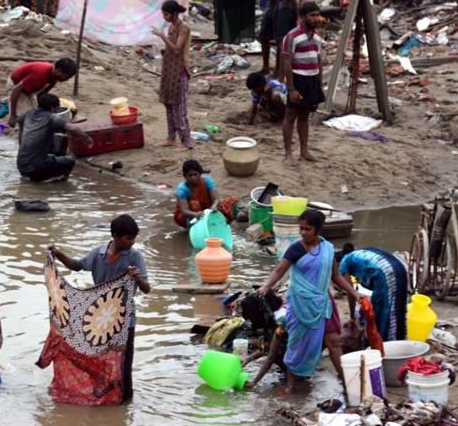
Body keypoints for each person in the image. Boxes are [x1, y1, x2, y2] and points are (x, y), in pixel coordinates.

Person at [257, 209, 362, 392]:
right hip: (300, 304)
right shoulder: (296, 249)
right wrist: (266, 286)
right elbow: (279, 271)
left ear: (318, 229)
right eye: (301, 228)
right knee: (296, 342)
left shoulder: (327, 250)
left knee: (334, 342)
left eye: (308, 229)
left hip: (323, 303)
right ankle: (290, 385)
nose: (303, 232)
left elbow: (335, 276)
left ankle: (347, 384)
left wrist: (354, 293)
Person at [49, 214, 151, 401]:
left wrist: (137, 278)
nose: (132, 242)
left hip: (124, 319)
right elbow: (77, 265)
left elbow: (147, 289)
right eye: (128, 238)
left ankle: (125, 400)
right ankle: (102, 397)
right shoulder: (98, 254)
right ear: (115, 236)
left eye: (134, 238)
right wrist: (58, 255)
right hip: (99, 319)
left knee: (123, 363)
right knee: (97, 359)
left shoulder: (135, 256)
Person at [281, 1, 324, 164]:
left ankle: (304, 150)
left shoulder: (317, 36)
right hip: (298, 78)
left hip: (312, 79)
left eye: (317, 15)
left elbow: (318, 59)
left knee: (305, 116)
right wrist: (291, 89)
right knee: (290, 116)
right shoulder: (292, 36)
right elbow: (286, 62)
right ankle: (288, 154)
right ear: (302, 17)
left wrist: (319, 82)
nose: (316, 18)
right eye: (312, 15)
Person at [338, 244, 409, 342]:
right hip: (401, 269)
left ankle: (383, 345)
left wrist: (352, 317)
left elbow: (350, 292)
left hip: (385, 273)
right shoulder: (360, 253)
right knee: (398, 309)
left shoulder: (343, 262)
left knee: (382, 314)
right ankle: (399, 341)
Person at [17, 93, 93, 182]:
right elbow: (73, 128)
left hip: (21, 165)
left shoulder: (27, 113)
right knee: (70, 161)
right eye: (57, 108)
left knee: (51, 156)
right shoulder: (51, 117)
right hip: (36, 168)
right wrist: (87, 138)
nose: (57, 111)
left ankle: (33, 177)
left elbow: (20, 132)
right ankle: (56, 181)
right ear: (52, 107)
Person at [152, 0, 192, 150]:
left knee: (179, 108)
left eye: (166, 14)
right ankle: (171, 137)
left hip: (180, 73)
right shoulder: (172, 27)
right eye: (163, 14)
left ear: (174, 13)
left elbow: (177, 50)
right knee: (168, 104)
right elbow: (171, 49)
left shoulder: (184, 28)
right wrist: (163, 49)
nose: (164, 17)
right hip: (169, 71)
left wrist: (162, 36)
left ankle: (186, 142)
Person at [7, 58, 77, 127]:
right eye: (66, 77)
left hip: (29, 90)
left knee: (36, 115)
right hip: (16, 87)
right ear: (59, 71)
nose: (67, 80)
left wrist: (48, 109)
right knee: (25, 119)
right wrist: (13, 115)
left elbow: (42, 95)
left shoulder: (54, 77)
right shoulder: (41, 74)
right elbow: (16, 89)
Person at [173, 159, 238, 228]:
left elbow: (216, 198)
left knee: (230, 202)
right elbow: (184, 210)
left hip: (208, 209)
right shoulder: (182, 189)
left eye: (195, 174)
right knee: (195, 204)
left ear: (200, 173)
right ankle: (196, 226)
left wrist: (214, 205)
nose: (193, 177)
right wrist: (195, 214)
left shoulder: (207, 181)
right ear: (185, 176)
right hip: (190, 215)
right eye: (190, 175)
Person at [275, 0, 304, 80]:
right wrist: (300, 13)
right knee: (290, 43)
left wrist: (298, 15)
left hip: (285, 11)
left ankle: (281, 76)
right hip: (292, 12)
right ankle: (284, 73)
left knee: (282, 44)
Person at [257, 0, 280, 75]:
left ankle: (277, 69)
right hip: (271, 5)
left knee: (279, 39)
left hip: (281, 6)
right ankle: (266, 66)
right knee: (263, 36)